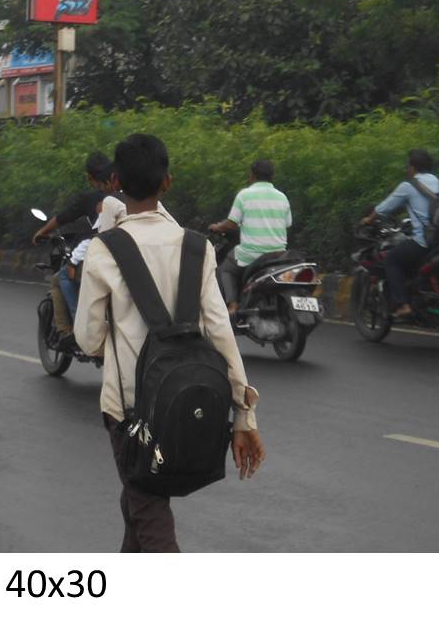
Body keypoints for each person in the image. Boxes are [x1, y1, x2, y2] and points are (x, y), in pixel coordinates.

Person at [75, 133, 265, 553]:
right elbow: (220, 333)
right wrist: (244, 417)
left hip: (130, 411)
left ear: (115, 183)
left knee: (148, 507)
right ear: (168, 182)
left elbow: (87, 340)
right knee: (139, 503)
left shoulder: (104, 250)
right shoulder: (197, 248)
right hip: (188, 401)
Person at [31, 152, 114, 339]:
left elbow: (65, 219)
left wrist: (41, 232)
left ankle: (74, 328)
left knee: (60, 278)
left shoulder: (97, 200)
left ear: (90, 177)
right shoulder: (128, 198)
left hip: (101, 256)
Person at [362, 148, 439, 321]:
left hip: (424, 242)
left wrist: (368, 220)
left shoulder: (409, 186)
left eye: (408, 166)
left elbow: (384, 208)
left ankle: (403, 304)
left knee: (392, 260)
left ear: (412, 167)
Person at [209, 159, 293, 316]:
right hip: (279, 256)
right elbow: (287, 223)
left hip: (252, 254)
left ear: (252, 175)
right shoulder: (282, 197)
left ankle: (233, 304)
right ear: (272, 176)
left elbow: (231, 224)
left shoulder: (245, 195)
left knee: (226, 269)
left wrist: (217, 227)